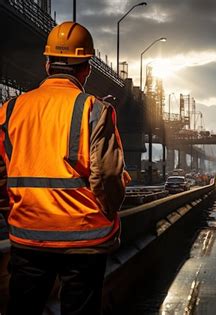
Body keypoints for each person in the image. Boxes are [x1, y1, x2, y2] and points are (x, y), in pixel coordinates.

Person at [0, 21, 129, 315]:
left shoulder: (9, 110)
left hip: (28, 235)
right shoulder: (95, 110)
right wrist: (108, 211)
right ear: (87, 69)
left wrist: (13, 211)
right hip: (84, 239)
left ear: (47, 64)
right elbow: (108, 175)